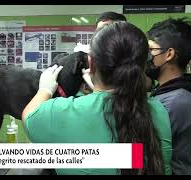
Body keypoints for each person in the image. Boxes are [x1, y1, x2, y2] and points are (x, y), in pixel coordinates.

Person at [22, 21, 172, 175]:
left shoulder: (60, 113)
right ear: (143, 67)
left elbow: (28, 118)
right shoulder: (158, 111)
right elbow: (131, 157)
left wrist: (45, 89)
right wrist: (104, 94)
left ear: (91, 64)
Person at [145, 17, 191, 175]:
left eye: (151, 50)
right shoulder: (180, 92)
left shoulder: (174, 103)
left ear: (169, 54)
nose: (146, 57)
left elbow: (142, 155)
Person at [77, 11, 127, 96]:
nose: (100, 34)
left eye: (105, 29)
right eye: (98, 30)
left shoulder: (132, 54)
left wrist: (97, 89)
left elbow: (147, 84)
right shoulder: (88, 55)